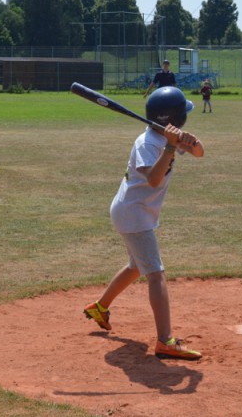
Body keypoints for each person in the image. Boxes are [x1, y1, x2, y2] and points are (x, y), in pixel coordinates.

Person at [83, 86, 206, 360]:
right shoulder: (148, 143)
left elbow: (199, 153)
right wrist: (171, 147)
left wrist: (188, 141)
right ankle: (165, 340)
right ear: (173, 118)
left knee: (136, 267)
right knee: (156, 274)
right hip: (133, 214)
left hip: (136, 212)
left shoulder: (165, 136)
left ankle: (100, 307)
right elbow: (153, 179)